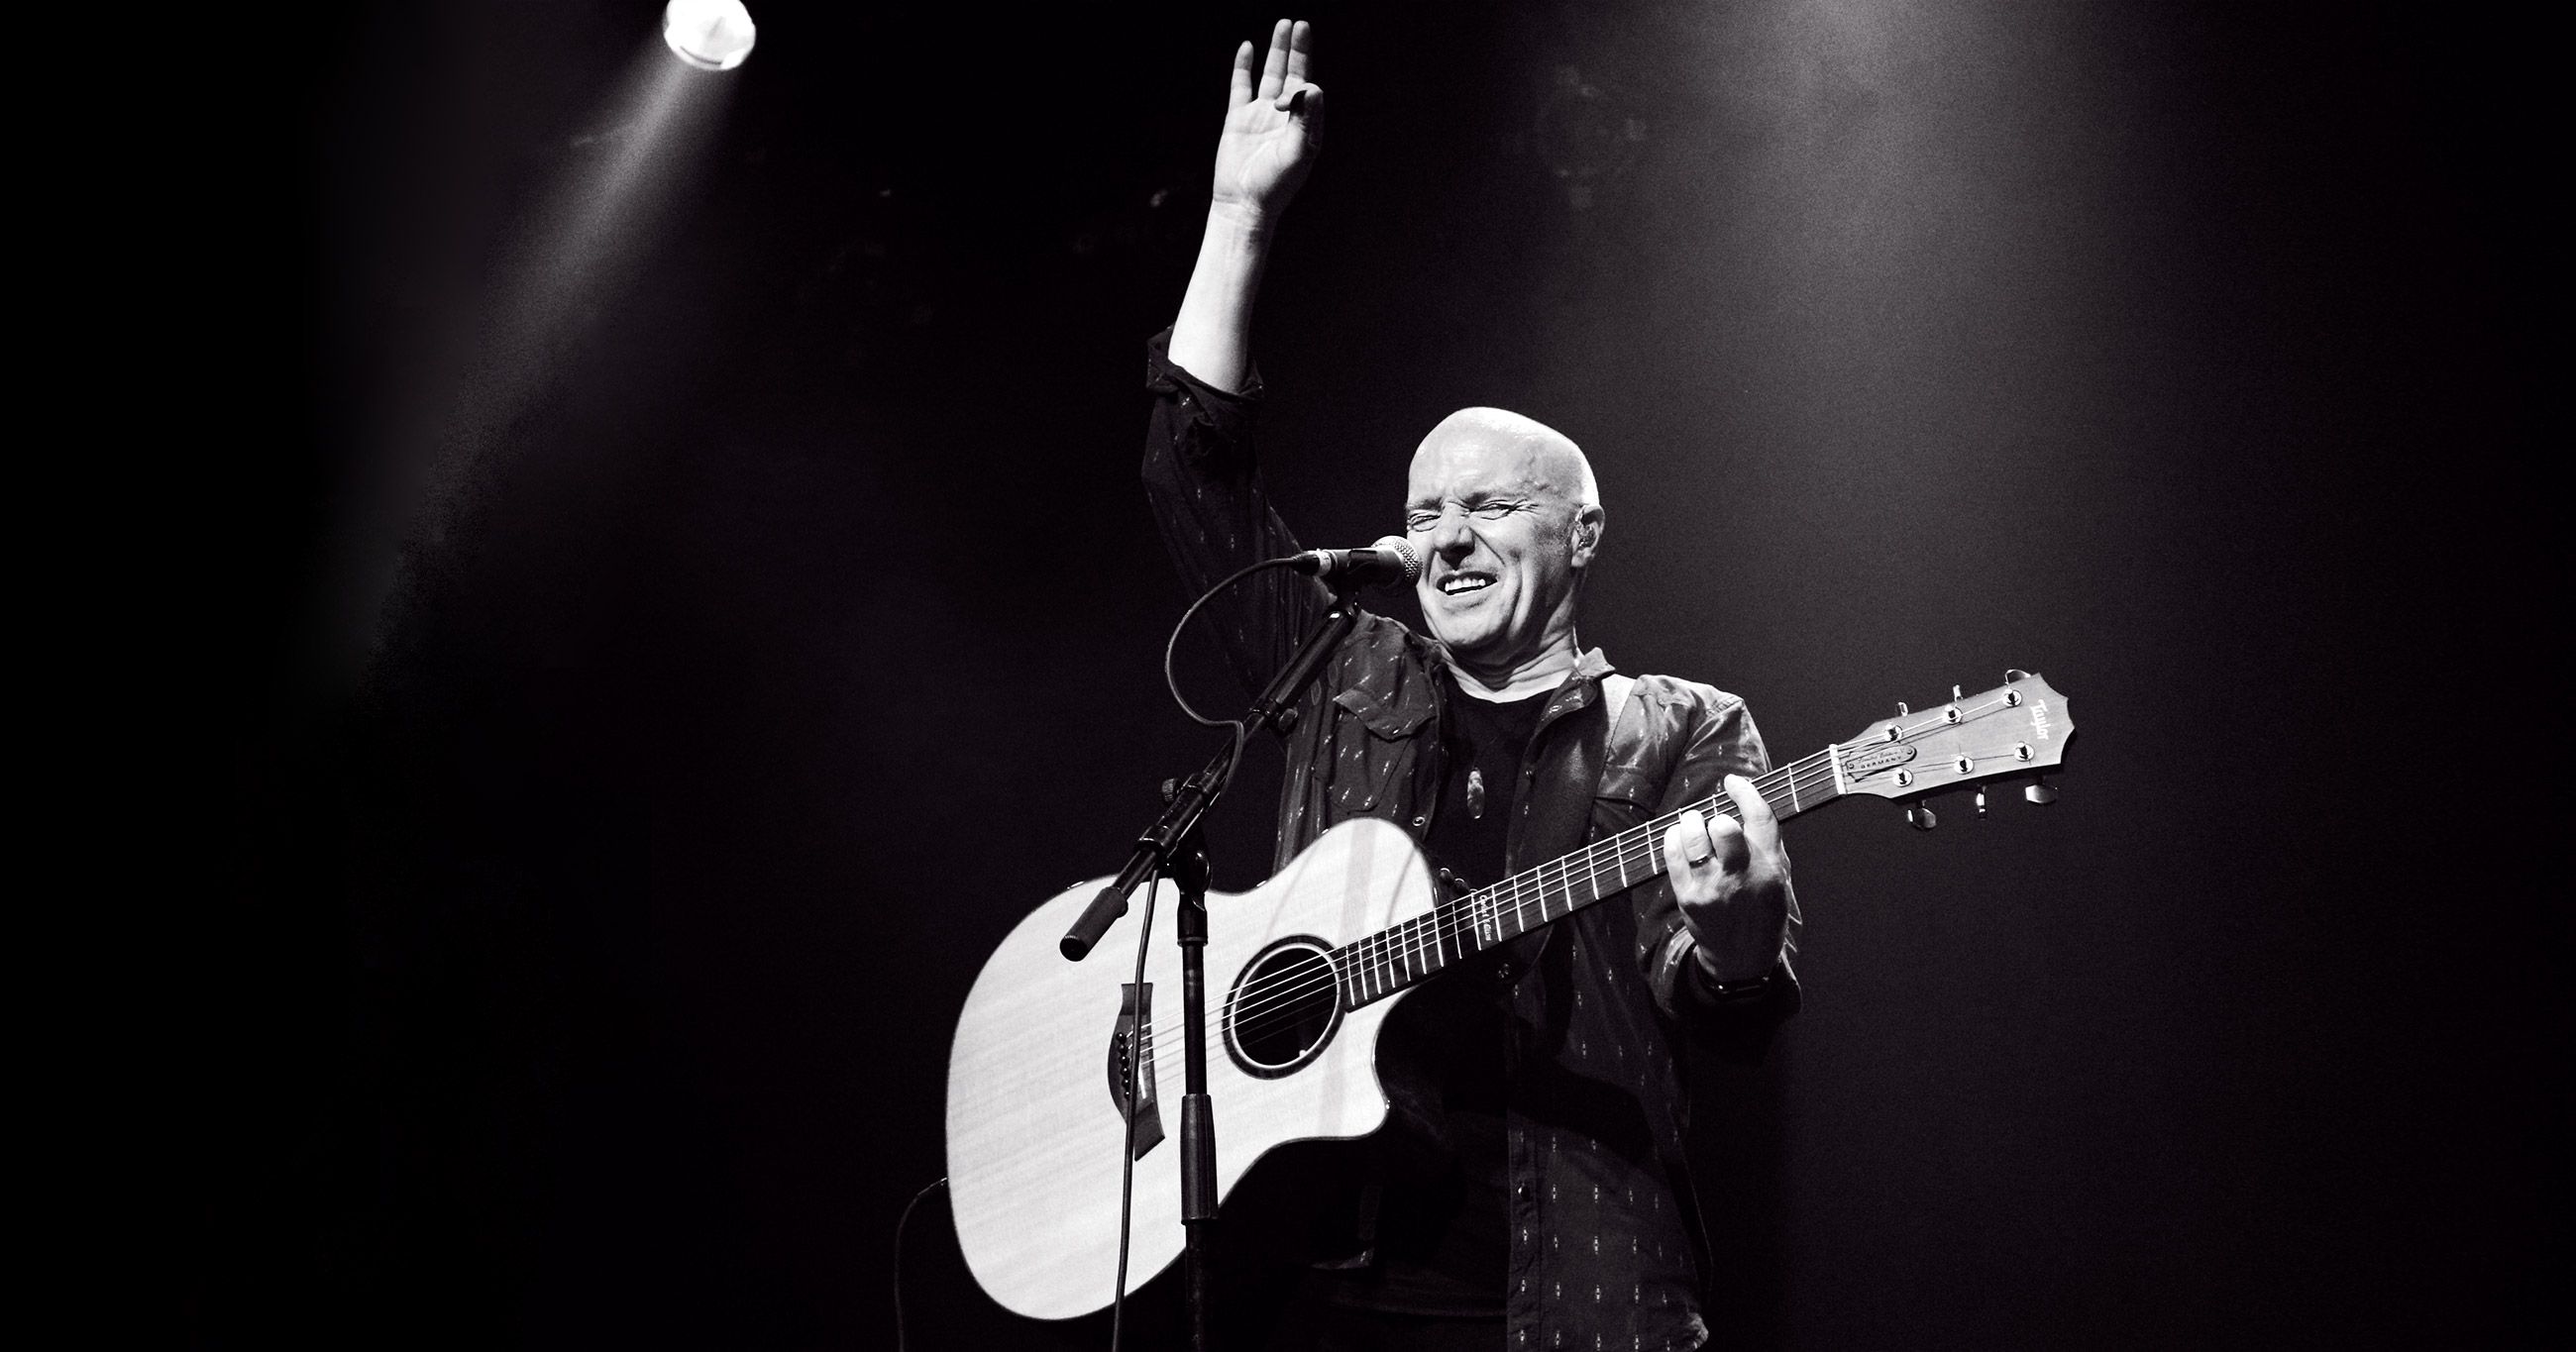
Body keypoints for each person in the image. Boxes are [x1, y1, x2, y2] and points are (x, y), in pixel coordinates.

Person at [1143, 21, 1800, 1351]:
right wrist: (1236, 217)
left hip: (1571, 1296)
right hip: (1311, 1282)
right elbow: (1191, 477)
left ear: (1581, 532)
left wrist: (1735, 938)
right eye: (1422, 507)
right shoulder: (1345, 664)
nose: (1441, 536)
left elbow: (1722, 1003)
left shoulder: (1685, 729)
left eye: (1488, 505)